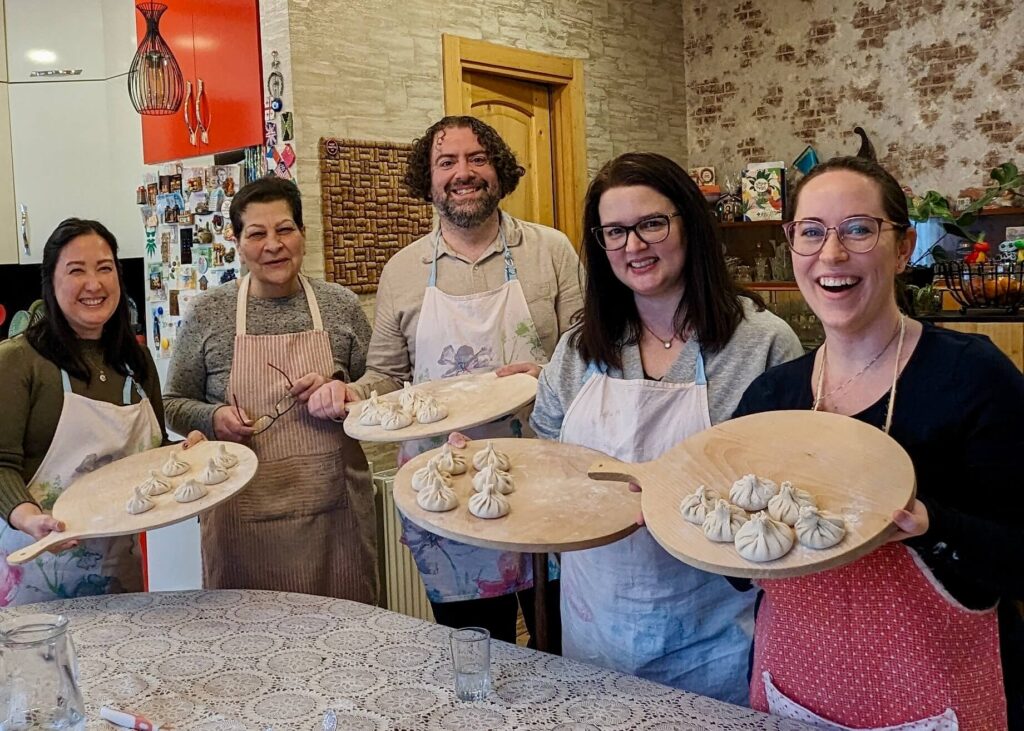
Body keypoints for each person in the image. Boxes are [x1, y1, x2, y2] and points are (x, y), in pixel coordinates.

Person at [733, 155, 1024, 728]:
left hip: (938, 695)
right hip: (795, 688)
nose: (832, 255)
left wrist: (933, 525)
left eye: (859, 229)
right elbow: (739, 570)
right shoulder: (772, 395)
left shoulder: (971, 377)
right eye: (810, 232)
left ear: (903, 245)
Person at [529, 152, 803, 702]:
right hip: (594, 621)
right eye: (614, 231)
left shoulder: (763, 345)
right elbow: (549, 459)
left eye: (652, 223)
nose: (633, 246)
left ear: (689, 225)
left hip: (716, 631)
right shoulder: (581, 349)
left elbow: (791, 491)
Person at [313, 116, 583, 646]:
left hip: (542, 474)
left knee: (561, 646)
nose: (464, 173)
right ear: (429, 180)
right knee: (476, 647)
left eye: (477, 158)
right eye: (447, 162)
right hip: (444, 483)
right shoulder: (404, 269)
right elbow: (388, 375)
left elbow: (589, 358)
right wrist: (352, 395)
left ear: (499, 171)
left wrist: (548, 373)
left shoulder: (550, 251)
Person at [163, 177, 378, 601]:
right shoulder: (208, 313)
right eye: (256, 234)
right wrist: (214, 417)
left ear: (302, 234)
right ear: (238, 244)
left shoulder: (341, 306)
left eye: (284, 230)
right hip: (241, 518)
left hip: (334, 518)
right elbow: (171, 404)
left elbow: (381, 392)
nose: (273, 245)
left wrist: (343, 393)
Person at [0, 218, 203, 606]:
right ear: (51, 281)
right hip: (36, 568)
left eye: (105, 268)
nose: (94, 284)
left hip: (118, 570)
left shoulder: (136, 360)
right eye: (76, 270)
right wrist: (28, 517)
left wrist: (184, 454)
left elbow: (150, 453)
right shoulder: (17, 362)